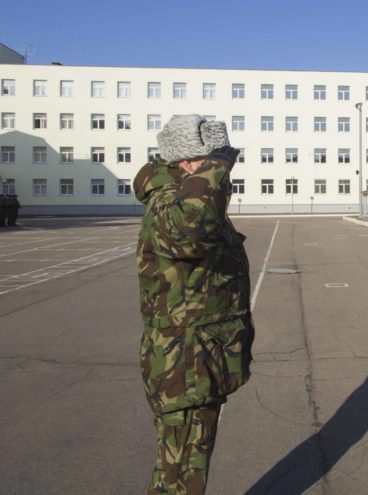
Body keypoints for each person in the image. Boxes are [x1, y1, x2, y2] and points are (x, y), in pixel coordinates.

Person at [134, 114, 255, 495]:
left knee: (186, 470)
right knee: (179, 477)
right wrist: (217, 165)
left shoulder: (190, 201)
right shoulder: (169, 205)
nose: (223, 176)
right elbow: (188, 232)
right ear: (187, 162)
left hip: (198, 361)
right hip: (184, 366)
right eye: (213, 163)